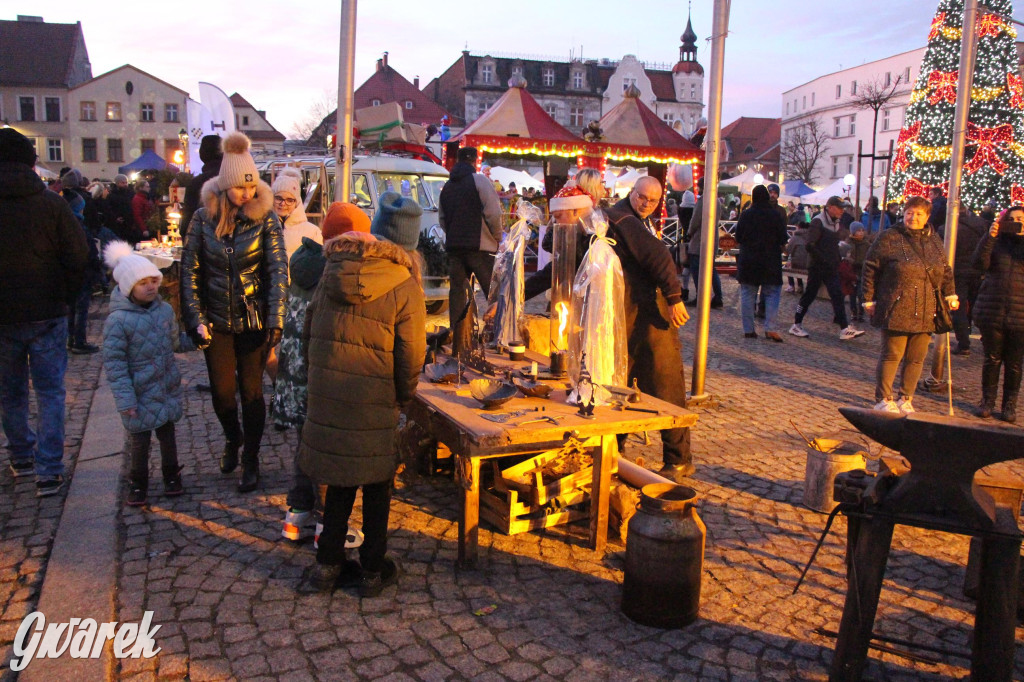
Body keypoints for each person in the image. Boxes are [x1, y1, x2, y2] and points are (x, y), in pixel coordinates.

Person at [298, 192, 426, 597]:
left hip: (330, 395)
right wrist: (402, 398)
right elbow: (411, 355)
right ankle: (372, 571)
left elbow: (307, 336)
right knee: (376, 486)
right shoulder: (405, 284)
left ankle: (327, 567)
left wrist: (318, 384)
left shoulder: (330, 270)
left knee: (338, 484)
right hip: (375, 398)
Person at [180, 131, 288, 493]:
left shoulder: (266, 219)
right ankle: (233, 437)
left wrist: (276, 318)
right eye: (240, 187)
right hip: (217, 322)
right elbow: (190, 272)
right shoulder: (201, 219)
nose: (246, 194)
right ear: (225, 186)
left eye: (251, 186)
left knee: (252, 392)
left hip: (254, 319)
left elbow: (276, 270)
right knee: (223, 395)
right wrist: (195, 318)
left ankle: (251, 460)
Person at [0, 128, 90, 495]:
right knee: (51, 391)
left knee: (10, 391)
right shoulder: (52, 204)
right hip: (47, 310)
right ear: (32, 163)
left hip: (3, 315)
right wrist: (66, 297)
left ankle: (21, 455)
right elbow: (79, 255)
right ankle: (49, 469)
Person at [275, 202, 370, 543]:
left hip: (294, 379)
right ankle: (327, 528)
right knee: (328, 457)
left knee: (305, 449)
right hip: (317, 380)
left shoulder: (304, 264)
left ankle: (296, 517)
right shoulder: (332, 275)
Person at [606, 176, 693, 482]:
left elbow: (658, 257)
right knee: (621, 385)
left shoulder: (629, 219)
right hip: (631, 315)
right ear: (632, 193)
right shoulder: (622, 218)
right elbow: (659, 256)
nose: (645, 203)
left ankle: (679, 458)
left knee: (664, 383)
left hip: (649, 317)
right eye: (641, 197)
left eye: (652, 200)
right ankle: (614, 450)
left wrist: (673, 299)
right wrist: (674, 297)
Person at [101, 241, 194, 506]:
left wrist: (198, 339)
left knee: (168, 436)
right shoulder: (118, 321)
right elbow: (115, 366)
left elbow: (175, 342)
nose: (151, 286)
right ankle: (138, 482)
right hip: (138, 393)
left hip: (164, 388)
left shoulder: (164, 311)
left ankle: (171, 475)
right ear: (129, 287)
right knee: (139, 443)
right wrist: (125, 400)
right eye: (144, 283)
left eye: (154, 280)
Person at [861, 195, 956, 414]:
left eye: (918, 214)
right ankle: (884, 398)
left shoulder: (934, 239)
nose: (913, 218)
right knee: (892, 354)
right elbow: (870, 267)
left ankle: (906, 397)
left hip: (926, 307)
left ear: (927, 217)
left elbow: (945, 270)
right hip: (897, 304)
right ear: (903, 214)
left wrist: (950, 294)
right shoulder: (889, 237)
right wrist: (868, 298)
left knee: (916, 358)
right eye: (909, 213)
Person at [438, 146, 503, 353]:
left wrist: (454, 235)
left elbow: (442, 219)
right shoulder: (480, 181)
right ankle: (498, 339)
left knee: (457, 293)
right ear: (474, 160)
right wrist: (497, 236)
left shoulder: (447, 186)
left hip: (455, 248)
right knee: (493, 294)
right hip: (480, 247)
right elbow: (493, 213)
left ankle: (459, 341)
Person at [970, 207, 1024, 422]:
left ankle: (1009, 405)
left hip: (1020, 313)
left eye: (1020, 219)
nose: (1016, 223)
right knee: (991, 359)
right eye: (1011, 219)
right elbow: (979, 264)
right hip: (992, 309)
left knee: (1015, 363)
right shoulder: (996, 242)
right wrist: (989, 237)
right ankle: (987, 401)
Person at [789, 196, 866, 341]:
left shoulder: (836, 222)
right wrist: (824, 258)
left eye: (843, 208)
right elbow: (810, 245)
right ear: (830, 207)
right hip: (818, 266)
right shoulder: (818, 221)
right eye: (839, 208)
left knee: (837, 294)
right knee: (809, 295)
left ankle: (844, 328)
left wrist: (838, 257)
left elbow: (833, 245)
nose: (842, 211)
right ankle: (796, 324)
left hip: (831, 266)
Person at [735, 185, 789, 342]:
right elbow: (783, 238)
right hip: (770, 261)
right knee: (772, 294)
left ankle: (748, 329)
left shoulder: (745, 215)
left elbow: (738, 237)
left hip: (749, 261)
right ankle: (770, 329)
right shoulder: (775, 215)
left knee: (748, 294)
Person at [62, 169, 102, 354]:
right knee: (81, 307)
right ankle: (78, 340)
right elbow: (85, 250)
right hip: (82, 272)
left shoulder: (68, 222)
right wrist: (95, 266)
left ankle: (72, 339)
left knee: (72, 307)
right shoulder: (77, 225)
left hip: (72, 272)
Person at [686, 179, 723, 308]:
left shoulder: (703, 201)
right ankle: (718, 296)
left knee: (697, 270)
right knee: (711, 270)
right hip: (712, 239)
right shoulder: (717, 201)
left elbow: (695, 219)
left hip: (700, 240)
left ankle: (700, 296)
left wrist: (689, 232)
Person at [179, 135, 222, 234]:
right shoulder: (234, 180)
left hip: (205, 242)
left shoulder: (196, 184)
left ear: (202, 154)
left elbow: (187, 225)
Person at [784, 221, 810, 294]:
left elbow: (788, 251)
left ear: (798, 227)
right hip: (810, 263)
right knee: (798, 260)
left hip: (797, 263)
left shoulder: (795, 237)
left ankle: (791, 286)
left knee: (791, 263)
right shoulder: (812, 237)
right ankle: (800, 286)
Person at [107, 174, 135, 242]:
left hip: (129, 223)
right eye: (123, 183)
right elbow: (108, 209)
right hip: (118, 225)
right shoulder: (111, 195)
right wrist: (115, 218)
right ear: (117, 183)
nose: (125, 184)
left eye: (126, 182)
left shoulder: (130, 193)